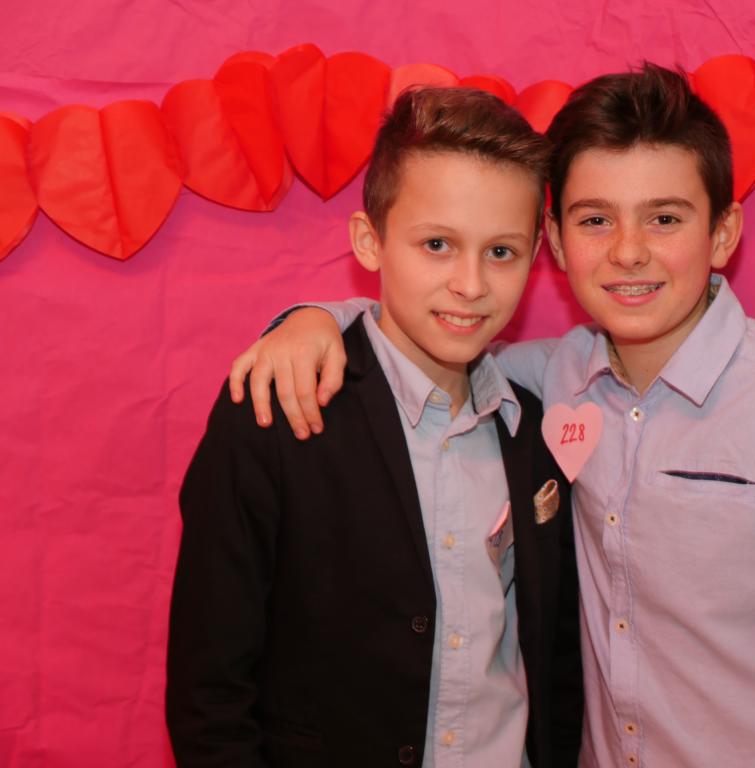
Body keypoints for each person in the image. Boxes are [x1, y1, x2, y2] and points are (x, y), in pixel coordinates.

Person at [229, 64, 755, 766]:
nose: (628, 251)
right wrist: (317, 319)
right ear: (558, 245)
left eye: (665, 219)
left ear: (723, 234)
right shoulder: (550, 377)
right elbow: (428, 333)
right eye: (596, 220)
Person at [166, 86, 582, 768]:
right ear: (370, 240)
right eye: (437, 244)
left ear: (537, 252)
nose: (471, 284)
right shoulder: (279, 406)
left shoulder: (532, 430)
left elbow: (554, 659)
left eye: (502, 252)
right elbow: (210, 693)